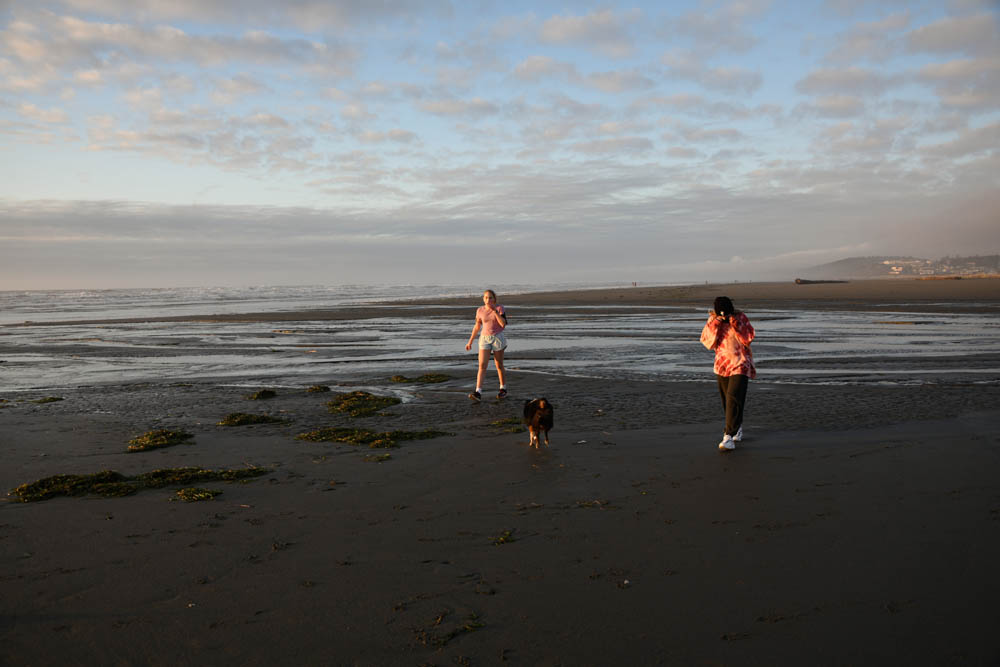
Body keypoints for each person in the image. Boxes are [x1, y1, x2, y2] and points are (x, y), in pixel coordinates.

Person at [700, 296, 756, 451]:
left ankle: (728, 436)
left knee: (733, 396)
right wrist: (718, 322)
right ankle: (736, 427)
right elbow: (707, 342)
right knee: (728, 400)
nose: (724, 316)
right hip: (722, 364)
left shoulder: (740, 317)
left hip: (741, 363)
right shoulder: (713, 321)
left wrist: (734, 322)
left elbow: (748, 338)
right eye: (721, 314)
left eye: (726, 313)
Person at [465, 289, 508, 400]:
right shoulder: (480, 310)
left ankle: (503, 388)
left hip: (497, 338)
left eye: (490, 298)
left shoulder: (500, 308)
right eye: (486, 298)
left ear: (494, 299)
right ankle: (478, 392)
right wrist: (470, 341)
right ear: (483, 299)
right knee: (482, 365)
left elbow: (503, 324)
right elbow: (477, 327)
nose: (488, 300)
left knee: (499, 364)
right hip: (484, 339)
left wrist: (495, 312)